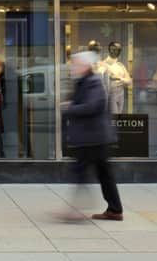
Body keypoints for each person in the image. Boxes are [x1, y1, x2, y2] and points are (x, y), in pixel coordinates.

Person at [62, 51, 123, 221]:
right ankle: (115, 209)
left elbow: (93, 106)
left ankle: (76, 212)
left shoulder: (93, 82)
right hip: (94, 136)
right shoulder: (83, 82)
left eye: (76, 64)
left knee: (81, 172)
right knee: (103, 173)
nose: (73, 67)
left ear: (85, 66)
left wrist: (70, 108)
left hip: (93, 137)